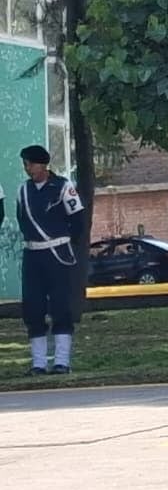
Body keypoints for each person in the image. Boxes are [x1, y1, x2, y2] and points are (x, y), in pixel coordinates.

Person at [15, 145, 83, 375]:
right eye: (25, 164)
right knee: (33, 307)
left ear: (43, 165)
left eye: (31, 164)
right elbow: (23, 220)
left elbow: (78, 222)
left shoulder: (64, 187)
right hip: (33, 254)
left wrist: (65, 241)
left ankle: (62, 361)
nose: (27, 169)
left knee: (60, 306)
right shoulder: (23, 191)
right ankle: (38, 363)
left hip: (58, 254)